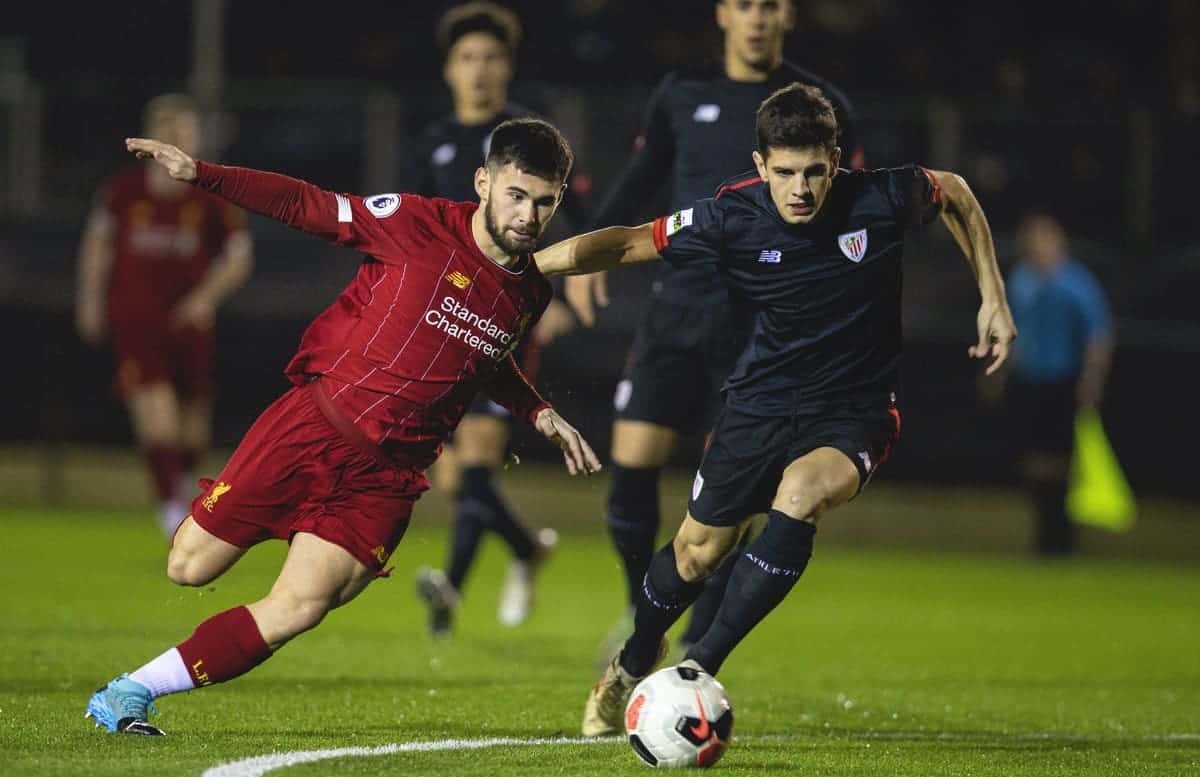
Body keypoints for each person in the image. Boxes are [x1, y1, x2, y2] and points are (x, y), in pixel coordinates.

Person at [85, 118, 600, 736]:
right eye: (517, 195)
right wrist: (202, 175)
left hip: (384, 480)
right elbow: (307, 204)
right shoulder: (414, 222)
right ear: (484, 182)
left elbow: (483, 358)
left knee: (301, 606)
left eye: (544, 203)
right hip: (315, 428)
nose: (528, 216)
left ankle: (129, 693)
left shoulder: (528, 295)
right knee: (189, 567)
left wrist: (539, 411)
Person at [535, 82, 1016, 735]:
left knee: (801, 493)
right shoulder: (732, 215)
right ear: (760, 166)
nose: (801, 188)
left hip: (855, 410)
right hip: (759, 405)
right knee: (696, 553)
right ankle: (632, 661)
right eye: (785, 172)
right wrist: (527, 267)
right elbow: (624, 244)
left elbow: (954, 190)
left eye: (816, 171)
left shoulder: (879, 197)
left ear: (836, 159)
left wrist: (994, 294)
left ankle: (699, 667)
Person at [564, 0, 862, 658]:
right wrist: (587, 255)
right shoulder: (683, 92)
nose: (757, 18)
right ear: (723, 13)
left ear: (788, 14)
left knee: (738, 493)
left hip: (763, 322)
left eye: (770, 5)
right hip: (677, 305)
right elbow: (645, 176)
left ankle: (699, 632)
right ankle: (642, 610)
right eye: (744, 4)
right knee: (631, 466)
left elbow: (852, 213)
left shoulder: (818, 106)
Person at [409, 2, 579, 636]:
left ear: (507, 68)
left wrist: (560, 297)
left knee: (476, 459)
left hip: (501, 314)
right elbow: (410, 231)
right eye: (467, 58)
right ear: (450, 70)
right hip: (436, 318)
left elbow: (572, 220)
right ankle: (526, 549)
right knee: (454, 477)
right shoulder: (432, 144)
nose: (479, 70)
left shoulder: (530, 142)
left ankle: (450, 591)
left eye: (491, 58)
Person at [75, 94, 253, 539]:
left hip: (189, 325)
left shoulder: (211, 197)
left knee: (192, 432)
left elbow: (238, 257)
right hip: (136, 320)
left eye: (182, 131)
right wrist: (91, 300)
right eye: (165, 130)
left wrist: (205, 298)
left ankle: (186, 500)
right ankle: (171, 510)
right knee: (158, 421)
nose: (174, 139)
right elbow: (97, 245)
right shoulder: (122, 192)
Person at [997, 213, 1113, 555]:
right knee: (1032, 457)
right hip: (1028, 381)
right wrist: (1000, 373)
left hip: (1062, 381)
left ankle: (1061, 536)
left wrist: (1092, 379)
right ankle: (1043, 532)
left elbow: (1098, 335)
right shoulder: (1020, 281)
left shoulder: (1076, 283)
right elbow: (1011, 331)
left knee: (1061, 458)